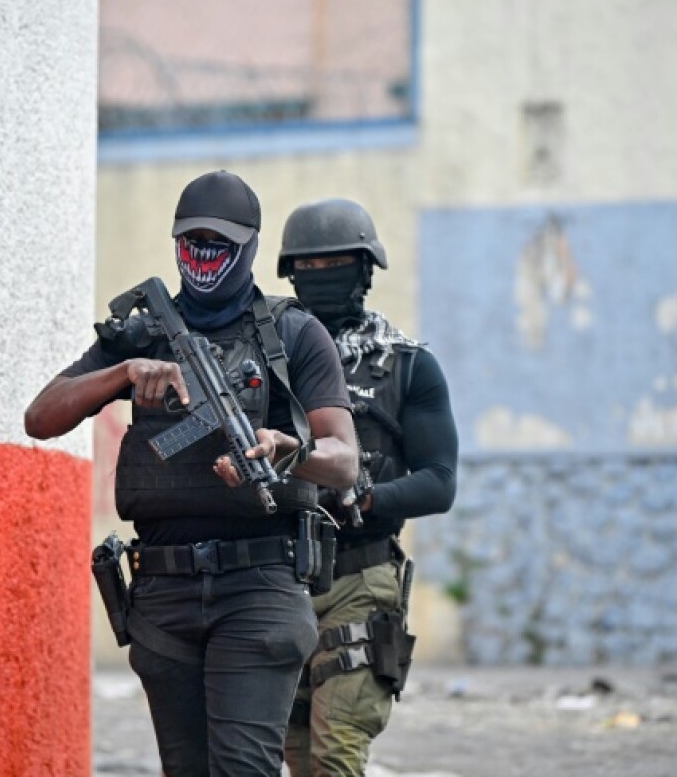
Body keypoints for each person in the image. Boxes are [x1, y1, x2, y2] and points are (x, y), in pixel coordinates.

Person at [24, 171, 358, 777]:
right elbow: (41, 417)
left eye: (220, 242)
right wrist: (124, 371)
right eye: (193, 239)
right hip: (163, 594)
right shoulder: (142, 331)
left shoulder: (291, 334)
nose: (204, 254)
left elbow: (343, 458)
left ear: (249, 245)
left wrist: (285, 449)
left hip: (258, 586)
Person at [278, 198, 459, 777]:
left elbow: (439, 483)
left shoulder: (405, 367)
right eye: (310, 266)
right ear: (289, 275)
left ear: (365, 269)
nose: (322, 277)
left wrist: (365, 495)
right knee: (293, 756)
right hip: (275, 580)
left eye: (336, 263)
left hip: (360, 575)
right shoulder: (265, 362)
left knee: (338, 756)